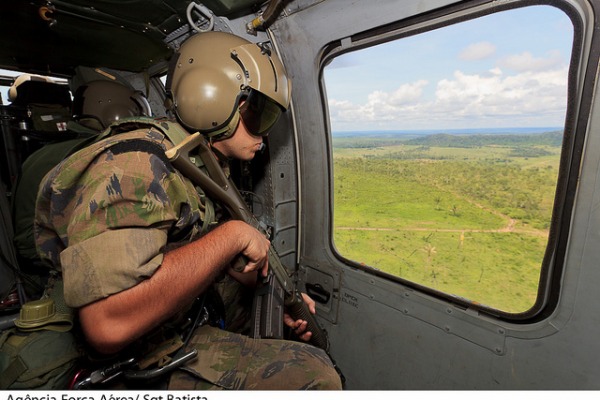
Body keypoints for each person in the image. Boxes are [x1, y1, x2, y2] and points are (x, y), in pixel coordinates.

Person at [34, 31, 342, 390]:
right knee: (314, 378)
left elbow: (178, 246)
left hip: (175, 318)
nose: (265, 134)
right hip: (118, 351)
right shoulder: (134, 165)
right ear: (208, 99)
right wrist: (231, 238)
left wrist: (273, 296)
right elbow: (107, 325)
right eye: (258, 113)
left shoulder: (199, 160)